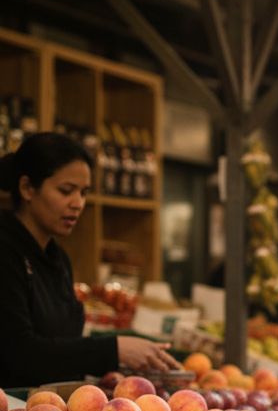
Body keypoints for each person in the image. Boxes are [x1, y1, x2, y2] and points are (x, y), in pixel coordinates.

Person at [0, 132, 178, 388]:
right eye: (66, 191)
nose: (78, 204)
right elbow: (19, 352)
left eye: (83, 193)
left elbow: (61, 343)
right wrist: (112, 350)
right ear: (27, 188)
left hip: (52, 410)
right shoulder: (6, 251)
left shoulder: (57, 258)